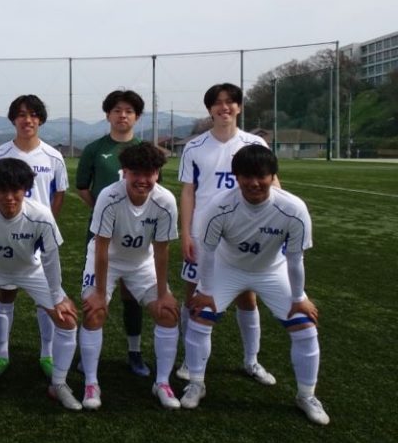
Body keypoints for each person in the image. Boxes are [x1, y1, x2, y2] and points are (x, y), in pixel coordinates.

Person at [182, 145, 330, 425]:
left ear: (273, 176)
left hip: (271, 271)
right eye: (246, 176)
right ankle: (196, 383)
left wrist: (299, 298)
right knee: (201, 315)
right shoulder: (218, 207)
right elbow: (208, 253)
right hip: (227, 268)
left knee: (305, 325)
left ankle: (306, 396)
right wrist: (207, 292)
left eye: (261, 176)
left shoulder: (293, 208)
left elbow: (295, 259)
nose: (254, 183)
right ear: (236, 178)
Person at [0, 158, 82, 410]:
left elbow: (50, 259)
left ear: (26, 189)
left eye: (16, 190)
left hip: (30, 271)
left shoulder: (41, 215)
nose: (9, 197)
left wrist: (57, 296)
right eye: (2, 190)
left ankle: (59, 384)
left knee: (67, 320)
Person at [177, 83, 276, 385]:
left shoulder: (254, 144)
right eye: (218, 103)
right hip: (204, 234)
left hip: (245, 233)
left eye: (230, 101)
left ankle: (251, 360)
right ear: (210, 109)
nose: (224, 107)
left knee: (247, 296)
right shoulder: (195, 147)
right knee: (194, 296)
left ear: (239, 107)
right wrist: (185, 233)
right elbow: (188, 192)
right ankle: (189, 358)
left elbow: (272, 183)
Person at [79, 143, 181, 410]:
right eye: (136, 173)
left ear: (157, 174)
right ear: (124, 172)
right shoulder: (109, 196)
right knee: (94, 312)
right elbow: (101, 248)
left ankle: (162, 383)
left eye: (149, 174)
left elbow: (162, 250)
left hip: (141, 262)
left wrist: (163, 294)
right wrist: (99, 293)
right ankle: (91, 383)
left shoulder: (165, 201)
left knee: (167, 313)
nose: (142, 180)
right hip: (107, 260)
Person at [0, 95, 68, 380]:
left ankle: (47, 354)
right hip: (3, 237)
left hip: (36, 238)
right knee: (6, 293)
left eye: (33, 115)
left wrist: (45, 226)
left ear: (40, 119)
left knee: (46, 298)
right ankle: (2, 355)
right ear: (14, 119)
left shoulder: (53, 156)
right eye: (22, 114)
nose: (28, 120)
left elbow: (59, 193)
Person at [75, 89, 150, 376]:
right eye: (117, 110)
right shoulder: (95, 149)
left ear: (137, 117)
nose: (123, 116)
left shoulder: (145, 149)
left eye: (129, 111)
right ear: (108, 115)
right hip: (101, 234)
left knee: (132, 295)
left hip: (136, 234)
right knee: (94, 295)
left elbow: (152, 188)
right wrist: (102, 212)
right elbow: (83, 187)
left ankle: (135, 352)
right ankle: (87, 354)